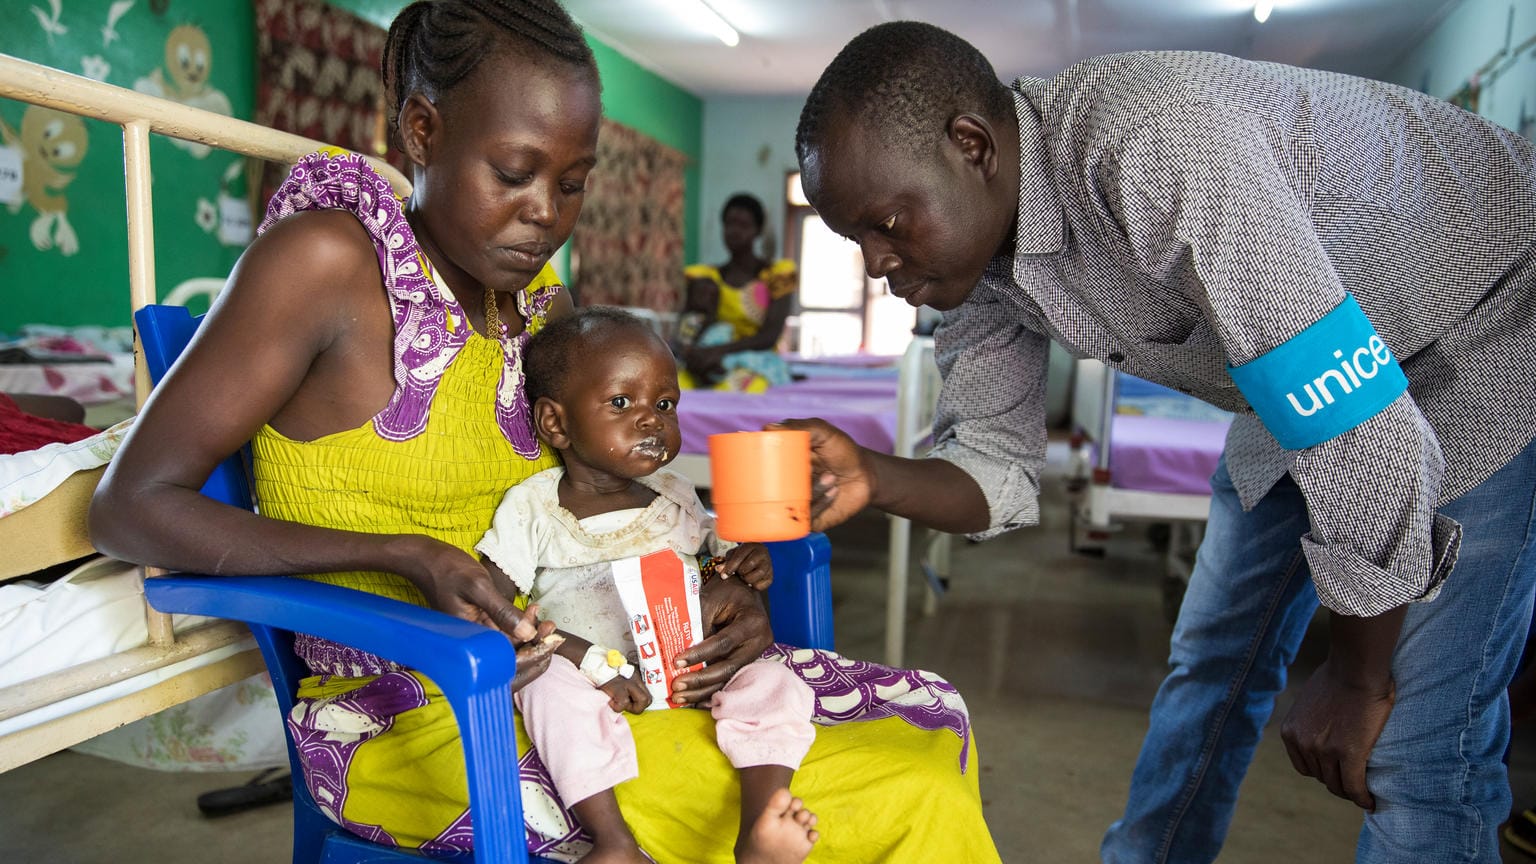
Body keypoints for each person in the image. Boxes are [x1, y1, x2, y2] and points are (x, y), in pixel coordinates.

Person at [89, 3, 1000, 860]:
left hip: (592, 670)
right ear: (422, 132)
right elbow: (130, 508)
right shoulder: (326, 263)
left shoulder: (538, 305)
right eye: (514, 174)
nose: (545, 215)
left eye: (571, 184)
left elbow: (605, 501)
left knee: (925, 731)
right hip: (427, 706)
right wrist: (407, 554)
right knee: (894, 798)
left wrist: (719, 594)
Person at [788, 20, 1536, 864]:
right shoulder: (975, 275)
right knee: (1209, 668)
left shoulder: (1151, 141)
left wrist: (1356, 676)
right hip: (1304, 381)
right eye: (856, 240)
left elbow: (1353, 420)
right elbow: (993, 468)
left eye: (887, 222)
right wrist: (871, 477)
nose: (876, 265)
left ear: (972, 146)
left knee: (1414, 753)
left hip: (1482, 323)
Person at [478, 307, 818, 864]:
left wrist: (745, 563)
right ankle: (613, 842)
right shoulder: (536, 507)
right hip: (593, 678)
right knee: (545, 689)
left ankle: (760, 825)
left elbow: (717, 557)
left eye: (665, 405)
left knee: (776, 682)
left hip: (690, 667)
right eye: (621, 403)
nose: (651, 420)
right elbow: (495, 602)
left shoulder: (676, 492)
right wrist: (585, 661)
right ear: (556, 424)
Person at [676, 193, 796, 391]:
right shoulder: (706, 278)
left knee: (739, 388)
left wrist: (719, 351)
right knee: (678, 389)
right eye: (729, 224)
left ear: (757, 231)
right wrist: (694, 354)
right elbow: (687, 326)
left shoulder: (776, 275)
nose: (734, 231)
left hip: (756, 359)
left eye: (743, 225)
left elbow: (770, 336)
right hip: (709, 355)